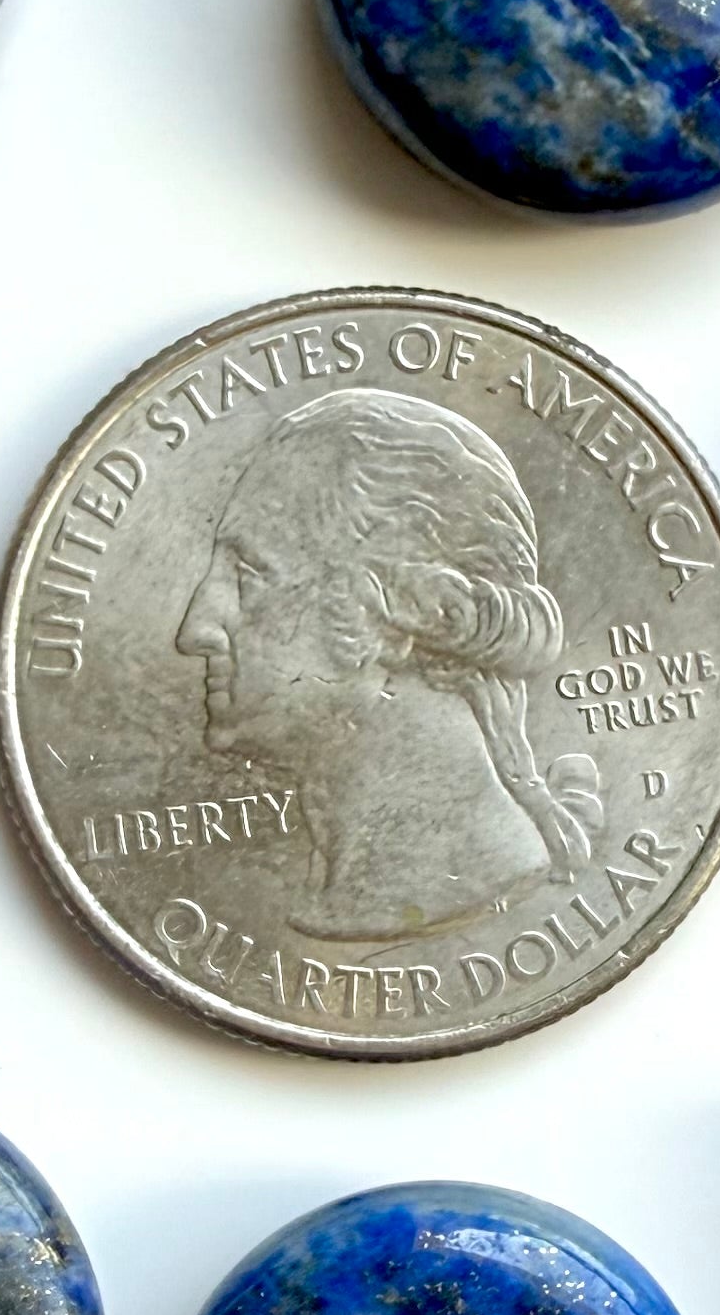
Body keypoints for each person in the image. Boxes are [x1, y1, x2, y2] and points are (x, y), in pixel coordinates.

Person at [173, 387, 602, 940]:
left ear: (416, 609)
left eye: (249, 574)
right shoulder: (356, 885)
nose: (195, 632)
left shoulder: (459, 880)